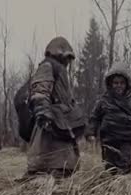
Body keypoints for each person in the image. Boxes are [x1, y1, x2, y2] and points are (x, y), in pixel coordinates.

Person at [24, 36, 87, 178]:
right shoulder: (48, 66)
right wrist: (44, 115)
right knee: (45, 170)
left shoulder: (59, 70)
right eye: (66, 57)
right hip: (50, 129)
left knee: (62, 170)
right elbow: (40, 92)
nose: (68, 61)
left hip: (61, 127)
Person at [86, 62, 131, 175]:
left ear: (126, 84)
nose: (118, 85)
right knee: (109, 168)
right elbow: (94, 118)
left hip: (126, 141)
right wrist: (91, 133)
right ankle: (109, 189)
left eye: (122, 83)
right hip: (109, 140)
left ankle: (122, 189)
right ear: (110, 84)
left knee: (124, 166)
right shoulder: (103, 101)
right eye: (115, 83)